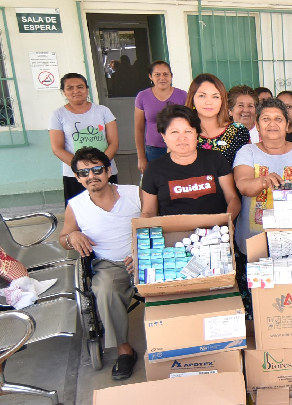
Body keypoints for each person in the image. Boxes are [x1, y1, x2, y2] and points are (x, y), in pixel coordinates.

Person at [59, 148, 141, 380]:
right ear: (77, 177)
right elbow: (63, 239)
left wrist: (140, 252)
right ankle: (124, 350)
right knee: (104, 290)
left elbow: (155, 221)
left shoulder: (134, 193)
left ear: (108, 171)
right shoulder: (76, 206)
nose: (91, 176)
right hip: (109, 265)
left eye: (96, 169)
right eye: (83, 172)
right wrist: (71, 236)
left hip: (144, 256)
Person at [232, 98, 292, 253]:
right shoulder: (247, 152)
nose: (272, 124)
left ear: (287, 125)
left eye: (278, 119)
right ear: (258, 125)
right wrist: (262, 182)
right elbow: (243, 185)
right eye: (266, 119)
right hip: (255, 240)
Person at [141, 105, 241, 218]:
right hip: (173, 232)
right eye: (174, 132)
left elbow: (233, 199)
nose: (182, 138)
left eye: (188, 131)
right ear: (164, 136)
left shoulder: (215, 159)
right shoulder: (154, 169)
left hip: (215, 231)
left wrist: (226, 221)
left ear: (197, 134)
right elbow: (148, 212)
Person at [49, 73, 119, 205]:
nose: (76, 91)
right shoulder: (58, 115)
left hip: (105, 170)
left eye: (80, 87)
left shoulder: (103, 111)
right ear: (63, 92)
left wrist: (99, 167)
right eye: (70, 88)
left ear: (87, 89)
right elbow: (57, 148)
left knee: (110, 207)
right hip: (75, 174)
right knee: (79, 213)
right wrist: (82, 168)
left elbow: (113, 143)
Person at [185, 73, 250, 166]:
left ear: (222, 101)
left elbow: (247, 169)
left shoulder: (238, 131)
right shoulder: (181, 131)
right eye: (202, 96)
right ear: (192, 99)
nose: (209, 102)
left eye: (215, 96)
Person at [134, 61, 188, 173]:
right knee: (158, 183)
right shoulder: (142, 96)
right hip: (154, 150)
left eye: (166, 74)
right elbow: (139, 129)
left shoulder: (183, 95)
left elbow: (190, 124)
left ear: (171, 76)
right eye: (157, 74)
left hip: (179, 147)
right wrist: (141, 157)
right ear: (150, 76)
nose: (162, 78)